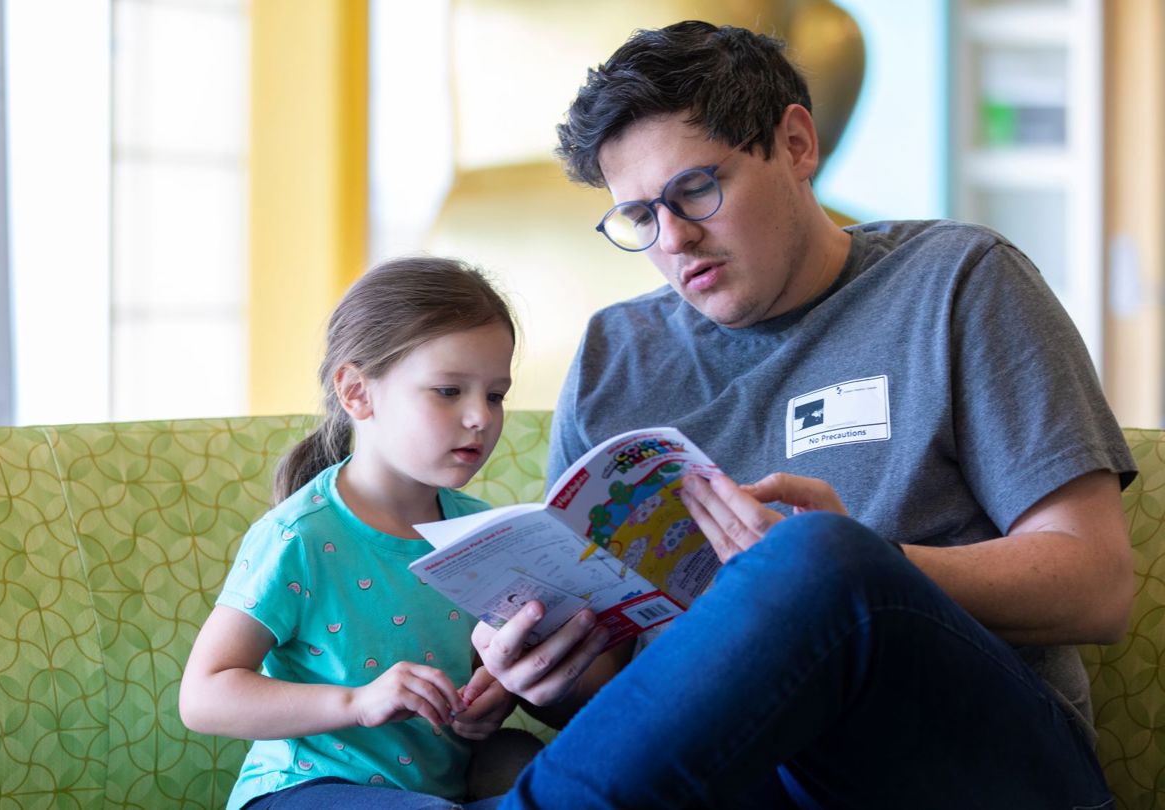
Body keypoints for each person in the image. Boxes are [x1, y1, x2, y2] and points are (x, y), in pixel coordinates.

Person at [468, 20, 1138, 809]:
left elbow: (1098, 584)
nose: (676, 239)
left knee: (819, 557)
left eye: (695, 190)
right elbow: (620, 691)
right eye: (641, 218)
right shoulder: (616, 356)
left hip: (974, 764)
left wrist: (855, 564)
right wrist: (545, 673)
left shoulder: (959, 281)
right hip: (746, 780)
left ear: (794, 144)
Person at [179, 256, 526, 810]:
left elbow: (483, 669)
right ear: (357, 393)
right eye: (448, 390)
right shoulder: (302, 536)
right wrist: (357, 702)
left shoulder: (477, 532)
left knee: (535, 763)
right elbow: (203, 696)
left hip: (438, 791)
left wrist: (496, 693)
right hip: (305, 789)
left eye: (495, 394)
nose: (480, 417)